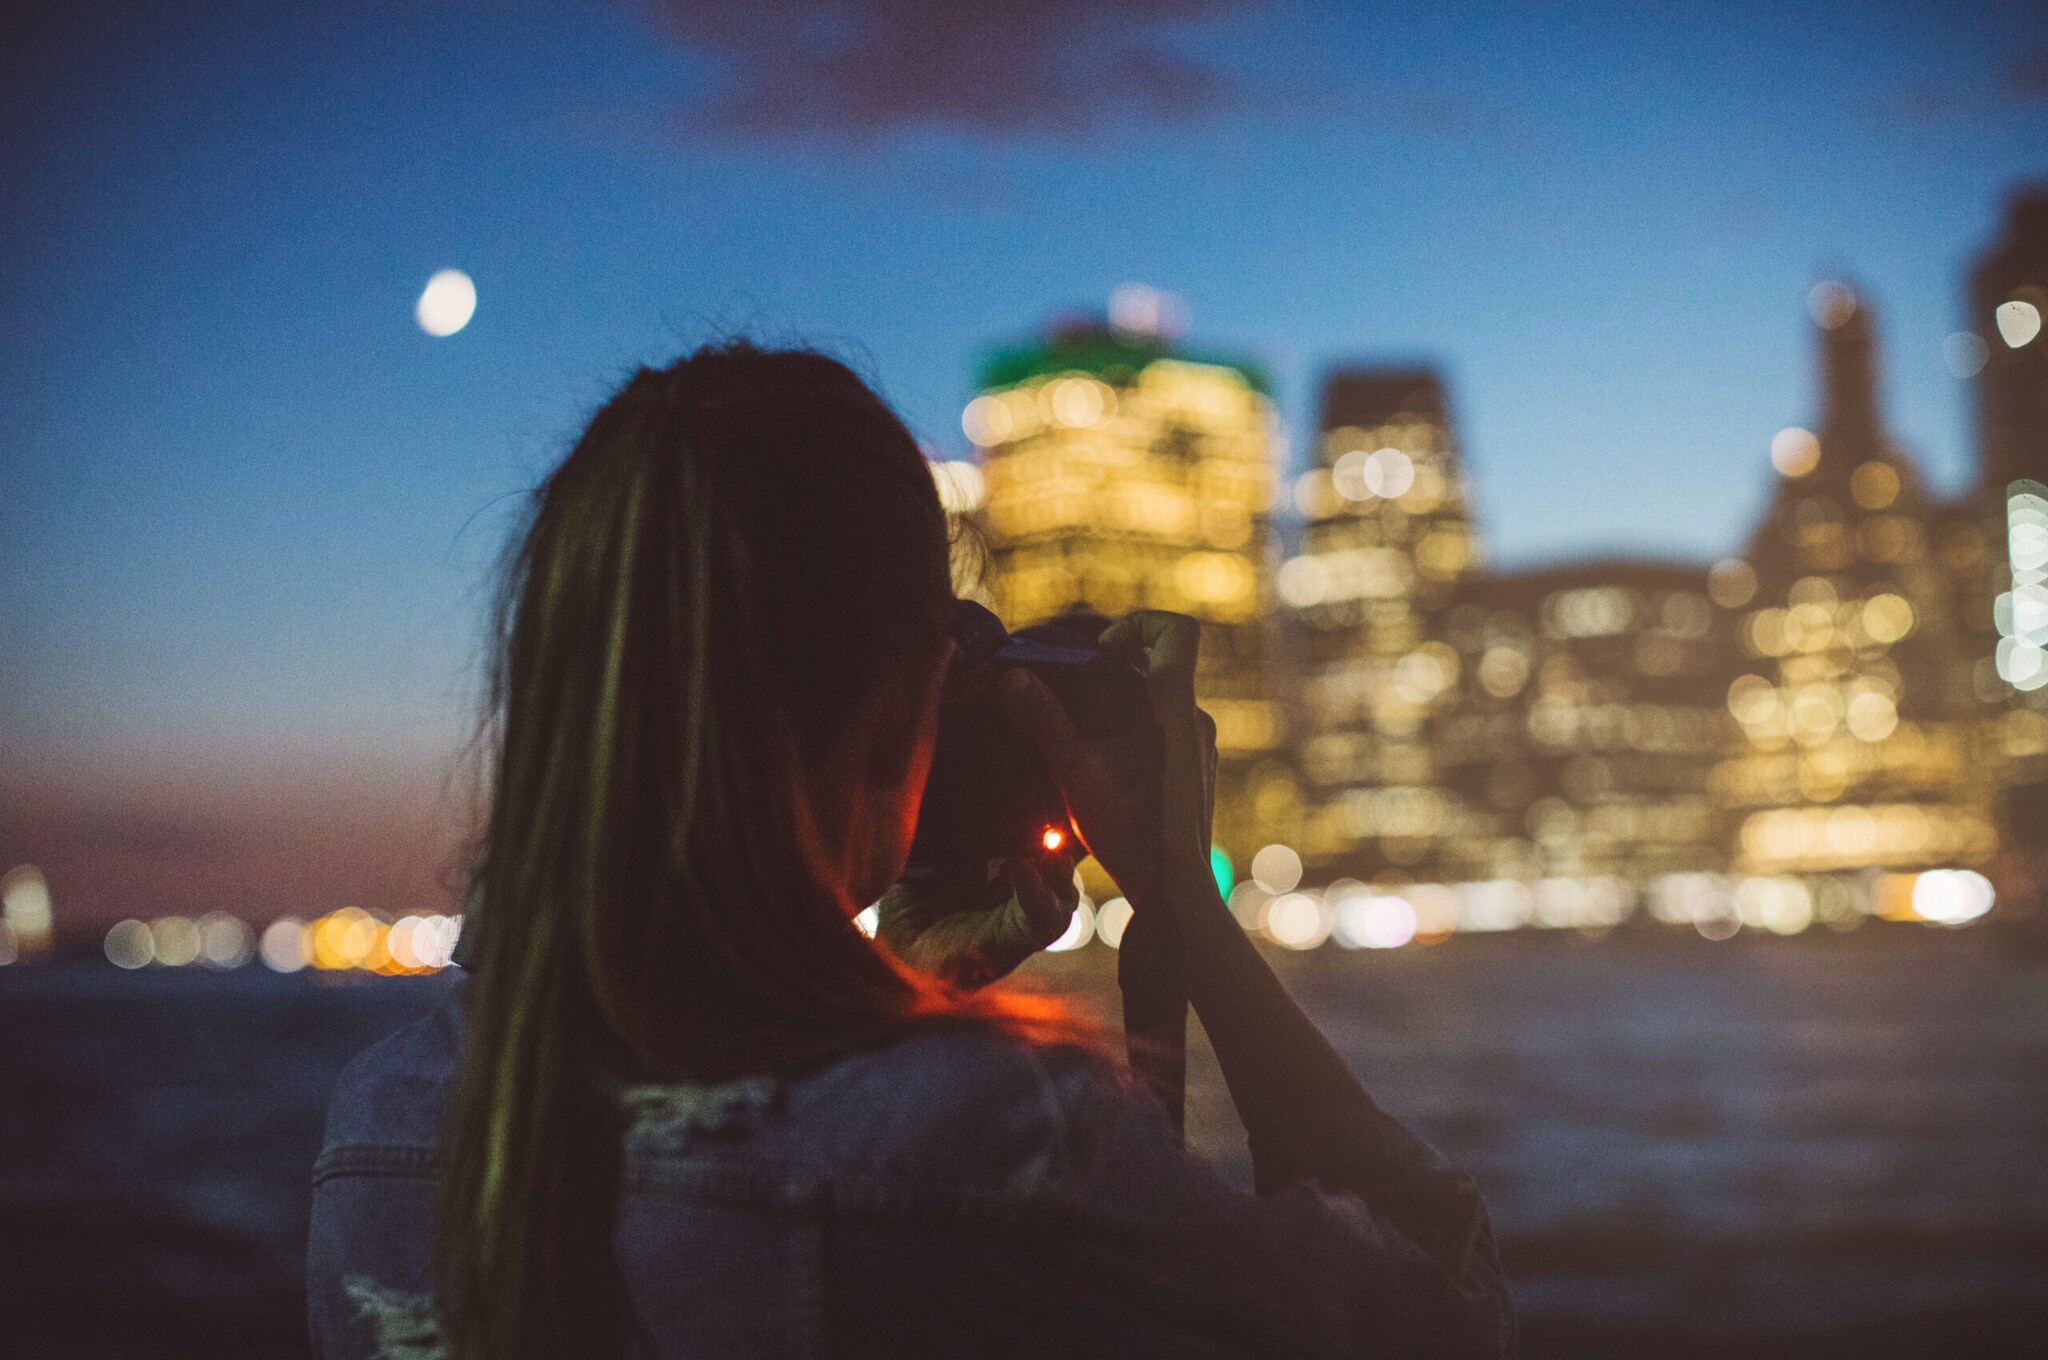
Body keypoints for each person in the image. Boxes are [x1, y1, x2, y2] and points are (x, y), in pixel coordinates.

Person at [307, 342, 1515, 1359]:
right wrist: (1189, 919)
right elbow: (1447, 1314)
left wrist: (903, 983)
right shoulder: (996, 1146)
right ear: (902, 706)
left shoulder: (382, 1128)